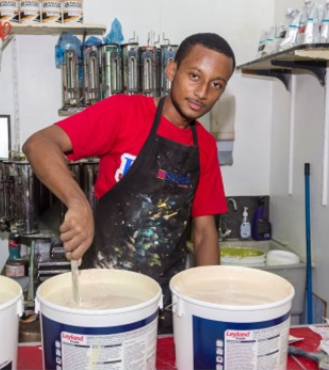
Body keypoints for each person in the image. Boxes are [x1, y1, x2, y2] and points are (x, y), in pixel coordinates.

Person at [23, 33, 236, 333]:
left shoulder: (205, 147)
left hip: (162, 306)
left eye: (216, 85)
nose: (202, 92)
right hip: (101, 298)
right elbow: (39, 144)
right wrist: (78, 202)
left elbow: (204, 234)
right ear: (172, 70)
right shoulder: (124, 113)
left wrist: (209, 308)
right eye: (194, 76)